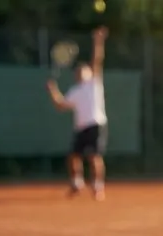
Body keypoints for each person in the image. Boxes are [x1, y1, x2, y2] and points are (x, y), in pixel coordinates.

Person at [47, 27, 108, 201]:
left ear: (89, 73)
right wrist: (52, 90)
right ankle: (77, 183)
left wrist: (98, 41)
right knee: (73, 157)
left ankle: (98, 187)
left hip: (96, 124)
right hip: (81, 127)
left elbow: (97, 59)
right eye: (79, 70)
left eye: (85, 69)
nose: (82, 71)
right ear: (76, 75)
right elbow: (60, 104)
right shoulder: (75, 91)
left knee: (94, 156)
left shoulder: (94, 84)